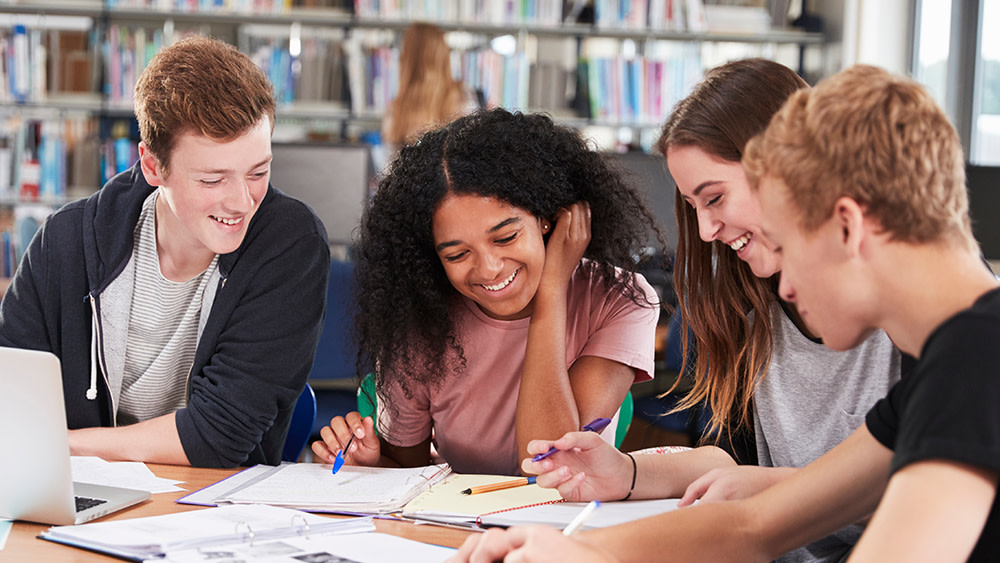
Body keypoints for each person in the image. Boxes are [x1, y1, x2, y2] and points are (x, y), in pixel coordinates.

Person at [448, 64, 999, 563]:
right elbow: (755, 522)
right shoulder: (942, 375)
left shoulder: (976, 363)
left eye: (784, 245)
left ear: (847, 227)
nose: (780, 278)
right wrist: (584, 550)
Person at [0, 36, 331, 468]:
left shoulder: (291, 244)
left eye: (258, 172)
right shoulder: (64, 242)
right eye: (212, 180)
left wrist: (66, 445)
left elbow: (218, 436)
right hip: (79, 495)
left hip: (214, 504)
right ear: (153, 166)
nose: (241, 202)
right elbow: (12, 400)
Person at [312, 108, 665, 475]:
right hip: (456, 523)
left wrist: (551, 292)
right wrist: (368, 464)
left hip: (567, 522)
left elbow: (552, 463)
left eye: (506, 237)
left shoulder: (620, 299)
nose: (489, 268)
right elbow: (407, 476)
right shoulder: (421, 318)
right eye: (457, 254)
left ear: (548, 217)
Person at [381, 22, 478, 150]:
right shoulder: (463, 98)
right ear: (443, 55)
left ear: (408, 58)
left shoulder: (396, 109)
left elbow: (389, 161)